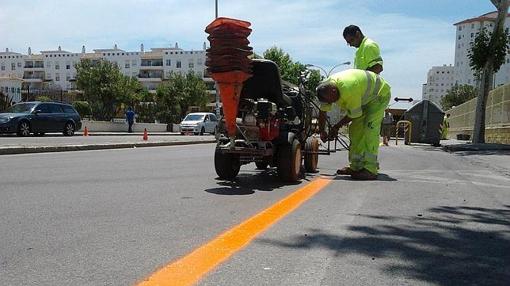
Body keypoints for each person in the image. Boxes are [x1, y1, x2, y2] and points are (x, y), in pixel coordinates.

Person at [317, 69, 391, 180]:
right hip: (364, 99)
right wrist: (322, 130)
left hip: (378, 96)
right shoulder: (325, 88)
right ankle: (356, 166)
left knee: (369, 129)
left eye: (331, 100)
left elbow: (353, 115)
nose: (331, 103)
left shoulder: (349, 89)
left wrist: (336, 126)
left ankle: (370, 170)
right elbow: (323, 111)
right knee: (355, 130)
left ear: (333, 90)